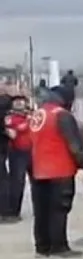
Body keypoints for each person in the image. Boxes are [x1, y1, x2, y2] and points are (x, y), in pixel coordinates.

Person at [29, 86, 83, 258]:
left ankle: (42, 246)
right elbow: (75, 146)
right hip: (60, 170)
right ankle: (59, 246)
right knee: (59, 209)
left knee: (41, 210)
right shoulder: (62, 115)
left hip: (38, 170)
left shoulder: (38, 114)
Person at [0, 95, 28, 223]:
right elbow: (13, 133)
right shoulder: (8, 118)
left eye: (21, 101)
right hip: (16, 152)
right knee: (14, 181)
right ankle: (10, 210)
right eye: (15, 101)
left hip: (29, 151)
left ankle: (9, 210)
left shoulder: (30, 116)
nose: (19, 104)